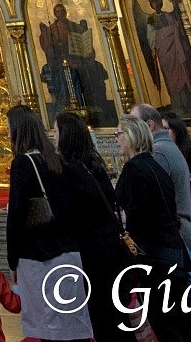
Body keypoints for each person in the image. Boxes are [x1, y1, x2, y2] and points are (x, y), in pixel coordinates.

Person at [3, 105, 90, 339]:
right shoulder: (55, 159)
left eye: (9, 128)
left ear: (19, 131)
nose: (7, 134)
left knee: (49, 327)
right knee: (72, 324)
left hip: (39, 255)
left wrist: (12, 260)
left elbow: (16, 216)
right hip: (68, 250)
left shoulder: (23, 163)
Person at [114, 117, 191, 342]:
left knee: (165, 322)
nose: (117, 140)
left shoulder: (134, 169)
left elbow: (135, 216)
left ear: (132, 136)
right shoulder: (154, 165)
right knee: (184, 319)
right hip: (173, 251)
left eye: (119, 134)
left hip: (154, 256)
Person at [56, 113, 127, 342]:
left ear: (66, 137)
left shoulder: (70, 171)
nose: (53, 138)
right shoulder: (94, 164)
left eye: (56, 132)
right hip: (110, 249)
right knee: (116, 319)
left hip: (92, 255)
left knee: (103, 319)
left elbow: (67, 215)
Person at [132, 105, 191, 266]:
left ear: (149, 125)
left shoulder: (158, 152)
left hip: (174, 237)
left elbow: (152, 198)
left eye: (134, 125)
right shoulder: (165, 147)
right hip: (180, 233)